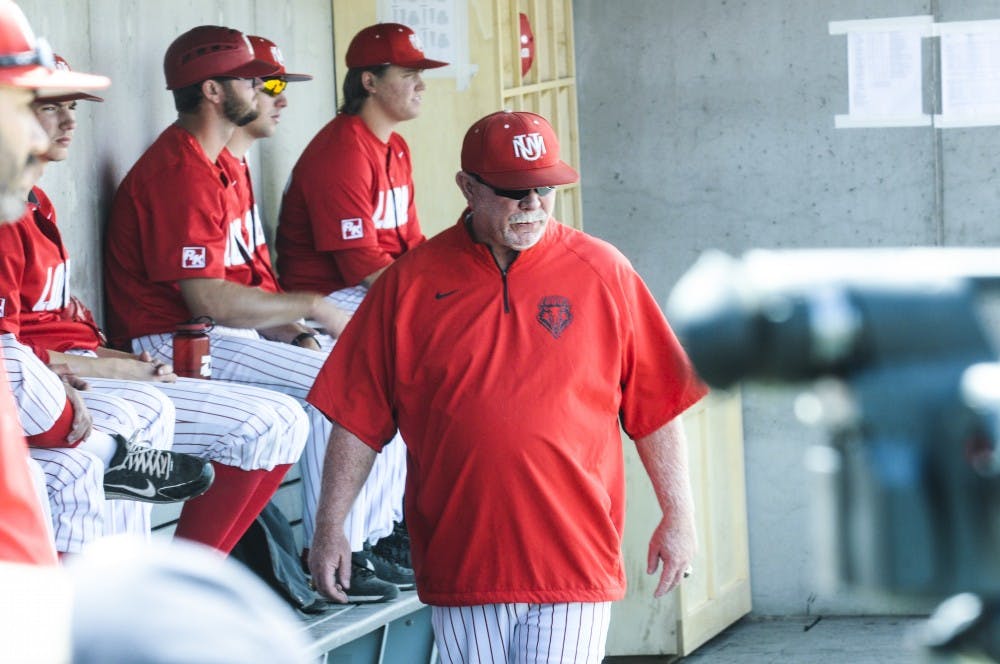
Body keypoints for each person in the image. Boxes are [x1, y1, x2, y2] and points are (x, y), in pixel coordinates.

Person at [306, 110, 709, 662]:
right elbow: (356, 418)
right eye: (514, 192)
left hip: (574, 556)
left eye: (544, 189)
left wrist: (680, 516)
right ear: (467, 188)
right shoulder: (410, 281)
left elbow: (657, 406)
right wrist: (331, 528)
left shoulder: (603, 271)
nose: (533, 206)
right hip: (463, 561)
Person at [103, 25, 404, 600]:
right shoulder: (180, 170)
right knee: (344, 386)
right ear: (213, 91)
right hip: (167, 340)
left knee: (359, 377)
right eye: (253, 78)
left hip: (207, 334)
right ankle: (339, 553)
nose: (268, 88)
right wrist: (311, 307)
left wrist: (295, 331)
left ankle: (351, 546)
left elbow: (235, 294)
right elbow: (207, 299)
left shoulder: (210, 162)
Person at [1, 54, 311, 556]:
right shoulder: (177, 169)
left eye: (72, 106)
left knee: (290, 413)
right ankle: (139, 604)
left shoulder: (35, 200)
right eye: (50, 107)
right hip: (94, 366)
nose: (70, 120)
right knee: (139, 416)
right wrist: (118, 374)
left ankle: (176, 590)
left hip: (81, 369)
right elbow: (16, 349)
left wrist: (121, 363)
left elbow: (53, 330)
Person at [0, 0, 108, 564]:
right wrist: (70, 418)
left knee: (79, 465)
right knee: (87, 454)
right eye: (30, 107)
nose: (52, 129)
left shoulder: (20, 203)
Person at [276, 22, 446, 311]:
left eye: (420, 74)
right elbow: (363, 265)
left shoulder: (396, 146)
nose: (421, 85)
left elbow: (412, 242)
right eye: (408, 74)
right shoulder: (342, 153)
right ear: (370, 83)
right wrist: (433, 296)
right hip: (327, 296)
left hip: (370, 283)